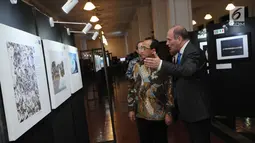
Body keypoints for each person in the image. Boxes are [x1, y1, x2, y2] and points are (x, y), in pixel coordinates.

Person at [144, 25, 211, 143]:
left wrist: (161, 64)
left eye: (169, 40)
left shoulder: (193, 52)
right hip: (189, 110)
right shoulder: (179, 54)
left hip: (198, 111)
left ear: (179, 39)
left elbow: (187, 71)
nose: (167, 43)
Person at [127, 39, 175, 143]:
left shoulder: (163, 68)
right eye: (140, 48)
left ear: (153, 51)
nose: (141, 51)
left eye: (144, 48)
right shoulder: (137, 66)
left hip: (159, 114)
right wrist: (131, 108)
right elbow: (132, 88)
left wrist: (169, 112)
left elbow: (169, 91)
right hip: (141, 114)